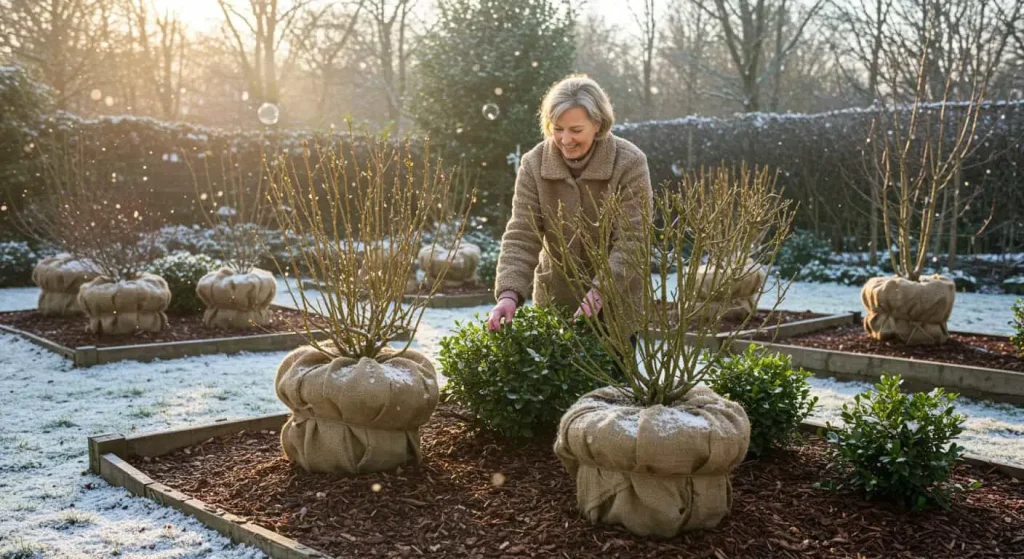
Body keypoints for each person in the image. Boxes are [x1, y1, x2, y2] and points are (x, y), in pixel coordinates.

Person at [488, 74, 653, 332]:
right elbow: (522, 233)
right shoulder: (534, 164)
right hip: (555, 303)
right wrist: (508, 294)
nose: (565, 140)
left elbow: (633, 240)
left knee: (612, 372)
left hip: (616, 308)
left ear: (598, 124)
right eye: (557, 128)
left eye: (576, 130)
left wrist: (601, 291)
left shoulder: (629, 162)